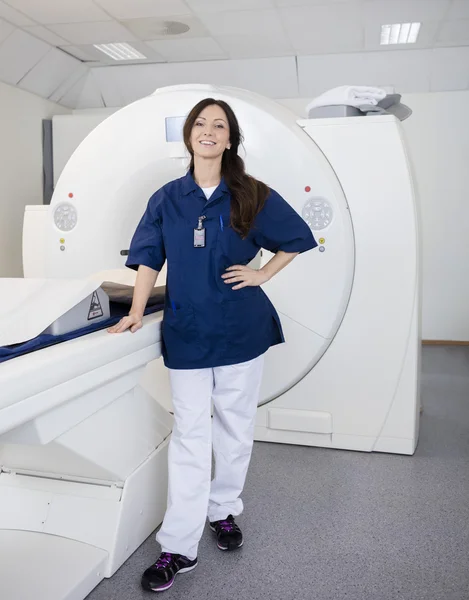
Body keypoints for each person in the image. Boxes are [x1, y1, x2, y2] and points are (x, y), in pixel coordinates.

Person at [108, 98, 317, 593]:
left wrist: (263, 272)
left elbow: (298, 237)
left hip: (241, 330)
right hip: (187, 330)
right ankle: (178, 548)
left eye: (218, 125)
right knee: (190, 436)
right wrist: (137, 312)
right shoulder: (167, 199)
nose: (208, 131)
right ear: (189, 136)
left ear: (229, 139)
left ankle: (223, 510)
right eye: (200, 124)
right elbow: (146, 259)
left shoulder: (252, 194)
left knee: (236, 427)